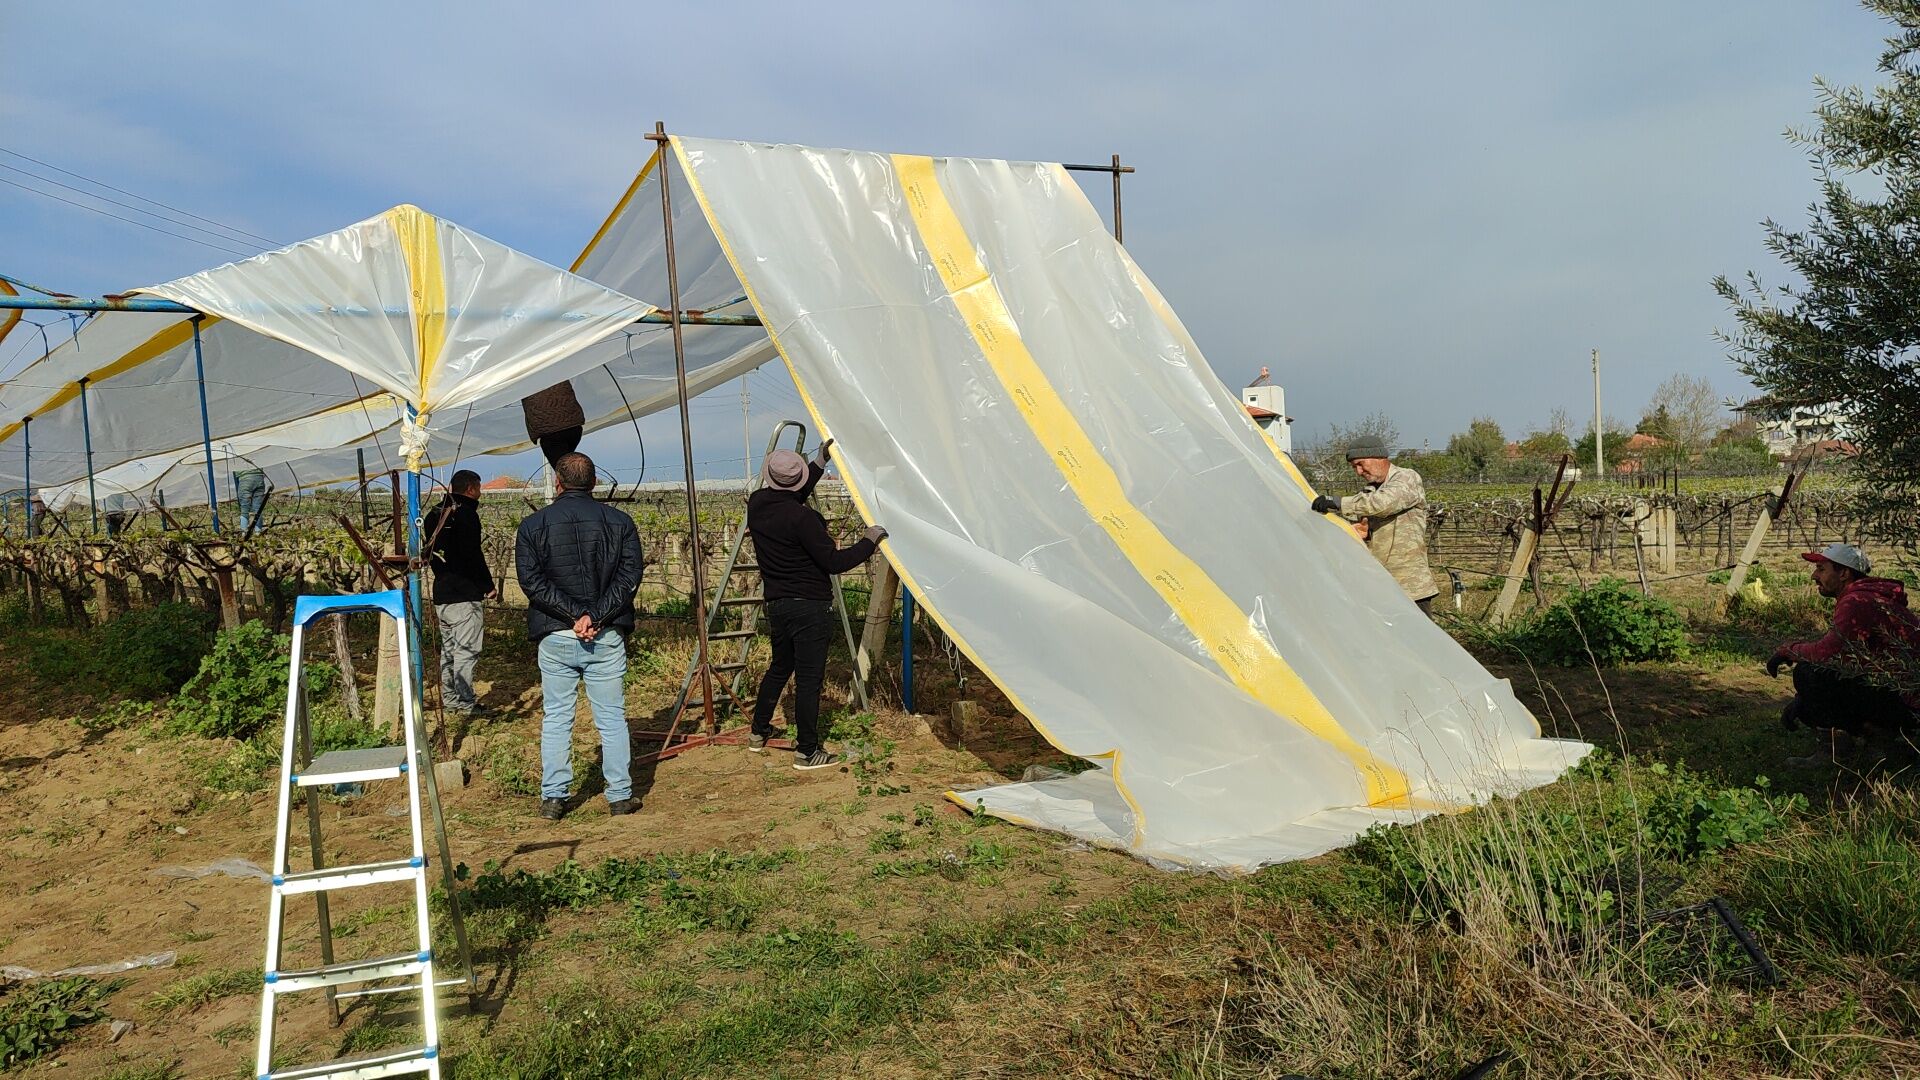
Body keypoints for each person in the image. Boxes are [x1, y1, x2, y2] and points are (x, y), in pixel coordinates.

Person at [515, 452, 645, 820]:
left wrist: (574, 615)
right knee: (612, 717)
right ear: (594, 483)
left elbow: (532, 582)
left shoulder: (532, 526)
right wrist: (596, 615)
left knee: (557, 717)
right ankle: (619, 796)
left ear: (557, 483)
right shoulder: (620, 522)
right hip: (605, 635)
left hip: (556, 634)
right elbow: (630, 577)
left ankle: (554, 798)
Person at [746, 439, 887, 770]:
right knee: (809, 679)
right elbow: (834, 562)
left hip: (777, 604)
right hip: (810, 606)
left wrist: (820, 461)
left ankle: (758, 731)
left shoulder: (758, 503)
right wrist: (869, 541)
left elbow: (789, 494)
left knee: (780, 667)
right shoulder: (804, 518)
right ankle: (807, 751)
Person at [1767, 543, 1919, 760]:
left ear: (1844, 573)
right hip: (1904, 695)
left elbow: (1827, 653)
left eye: (1821, 569)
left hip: (1907, 704)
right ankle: (1883, 740)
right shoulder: (1867, 597)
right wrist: (1804, 700)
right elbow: (1849, 658)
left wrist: (1788, 651)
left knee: (1809, 673)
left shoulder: (1856, 602)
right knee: (1815, 688)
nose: (1814, 576)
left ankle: (1839, 751)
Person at [1310, 437, 1439, 616]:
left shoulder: (1406, 478)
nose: (1359, 471)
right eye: (1354, 467)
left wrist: (1338, 502)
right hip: (1381, 582)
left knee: (1419, 632)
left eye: (1360, 464)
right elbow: (1365, 518)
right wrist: (1362, 532)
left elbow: (1383, 504)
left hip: (1410, 583)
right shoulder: (1369, 491)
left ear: (1378, 457)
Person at [428, 470, 496, 718]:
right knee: (466, 650)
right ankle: (466, 703)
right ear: (470, 489)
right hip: (464, 594)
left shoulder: (434, 513)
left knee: (449, 650)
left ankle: (450, 700)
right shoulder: (465, 514)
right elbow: (472, 555)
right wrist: (487, 585)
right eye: (478, 488)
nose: (480, 493)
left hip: (442, 593)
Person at [520, 382, 585, 468]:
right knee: (568, 466)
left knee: (564, 469)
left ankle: (573, 474)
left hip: (550, 431)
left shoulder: (522, 376)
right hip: (573, 425)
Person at [235, 467, 269, 531]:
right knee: (258, 508)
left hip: (245, 479)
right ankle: (258, 531)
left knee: (245, 508)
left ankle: (244, 531)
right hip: (259, 478)